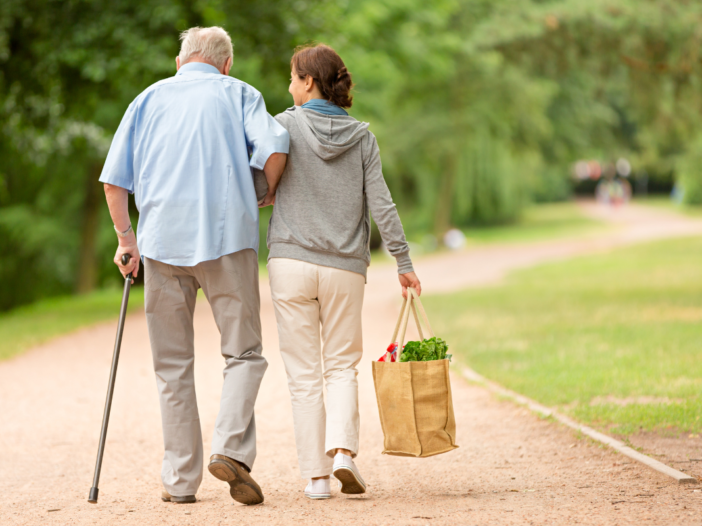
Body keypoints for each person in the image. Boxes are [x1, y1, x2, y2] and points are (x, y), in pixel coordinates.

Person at [99, 27, 289, 505]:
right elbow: (276, 148)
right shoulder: (240, 94)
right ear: (225, 64)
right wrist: (263, 192)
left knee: (171, 366)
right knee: (244, 354)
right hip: (227, 241)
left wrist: (127, 240)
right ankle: (229, 449)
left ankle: (180, 482)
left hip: (162, 245)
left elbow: (113, 183)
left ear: (180, 60)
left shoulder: (146, 99)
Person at [262, 43, 421, 500]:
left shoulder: (284, 126)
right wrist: (403, 262)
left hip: (291, 263)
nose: (289, 86)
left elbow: (260, 184)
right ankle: (345, 454)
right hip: (345, 270)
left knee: (304, 374)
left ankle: (315, 478)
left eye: (292, 77)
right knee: (340, 367)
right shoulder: (363, 137)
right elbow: (382, 206)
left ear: (309, 82)